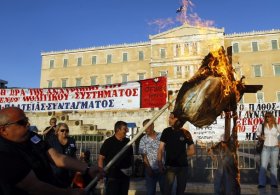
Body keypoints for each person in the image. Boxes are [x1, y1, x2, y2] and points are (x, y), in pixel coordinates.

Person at [0, 107, 102, 195]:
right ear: (4, 130)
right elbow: (33, 186)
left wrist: (88, 168)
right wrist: (68, 193)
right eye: (21, 122)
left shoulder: (31, 137)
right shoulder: (4, 152)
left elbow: (56, 157)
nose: (27, 125)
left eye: (27, 121)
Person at [157, 112, 195, 195]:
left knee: (181, 190)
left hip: (183, 167)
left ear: (178, 120)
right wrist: (159, 163)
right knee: (167, 190)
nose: (169, 119)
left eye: (171, 118)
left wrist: (181, 154)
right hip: (170, 166)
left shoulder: (186, 133)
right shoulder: (166, 131)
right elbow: (160, 149)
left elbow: (192, 150)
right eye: (169, 117)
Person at [98, 121, 133, 195]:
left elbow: (131, 156)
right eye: (125, 129)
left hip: (125, 177)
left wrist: (132, 168)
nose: (127, 130)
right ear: (118, 130)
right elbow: (101, 158)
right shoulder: (108, 142)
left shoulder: (128, 141)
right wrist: (101, 173)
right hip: (112, 177)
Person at [139, 119, 164, 195]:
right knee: (150, 192)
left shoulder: (162, 136)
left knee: (165, 191)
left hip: (162, 169)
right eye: (144, 127)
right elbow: (144, 155)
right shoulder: (143, 139)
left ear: (152, 126)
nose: (145, 129)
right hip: (150, 170)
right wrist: (148, 168)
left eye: (147, 127)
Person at [49, 122, 77, 187]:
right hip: (56, 172)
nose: (64, 132)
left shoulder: (72, 140)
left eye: (66, 130)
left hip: (69, 172)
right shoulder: (52, 141)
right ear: (57, 131)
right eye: (62, 130)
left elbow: (74, 155)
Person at [257, 111, 280, 189]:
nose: (267, 118)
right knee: (263, 166)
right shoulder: (262, 126)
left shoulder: (276, 126)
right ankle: (261, 183)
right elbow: (258, 134)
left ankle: (274, 183)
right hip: (265, 147)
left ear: (272, 117)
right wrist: (261, 137)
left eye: (269, 116)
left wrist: (279, 143)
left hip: (275, 148)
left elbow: (279, 135)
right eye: (266, 116)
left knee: (274, 166)